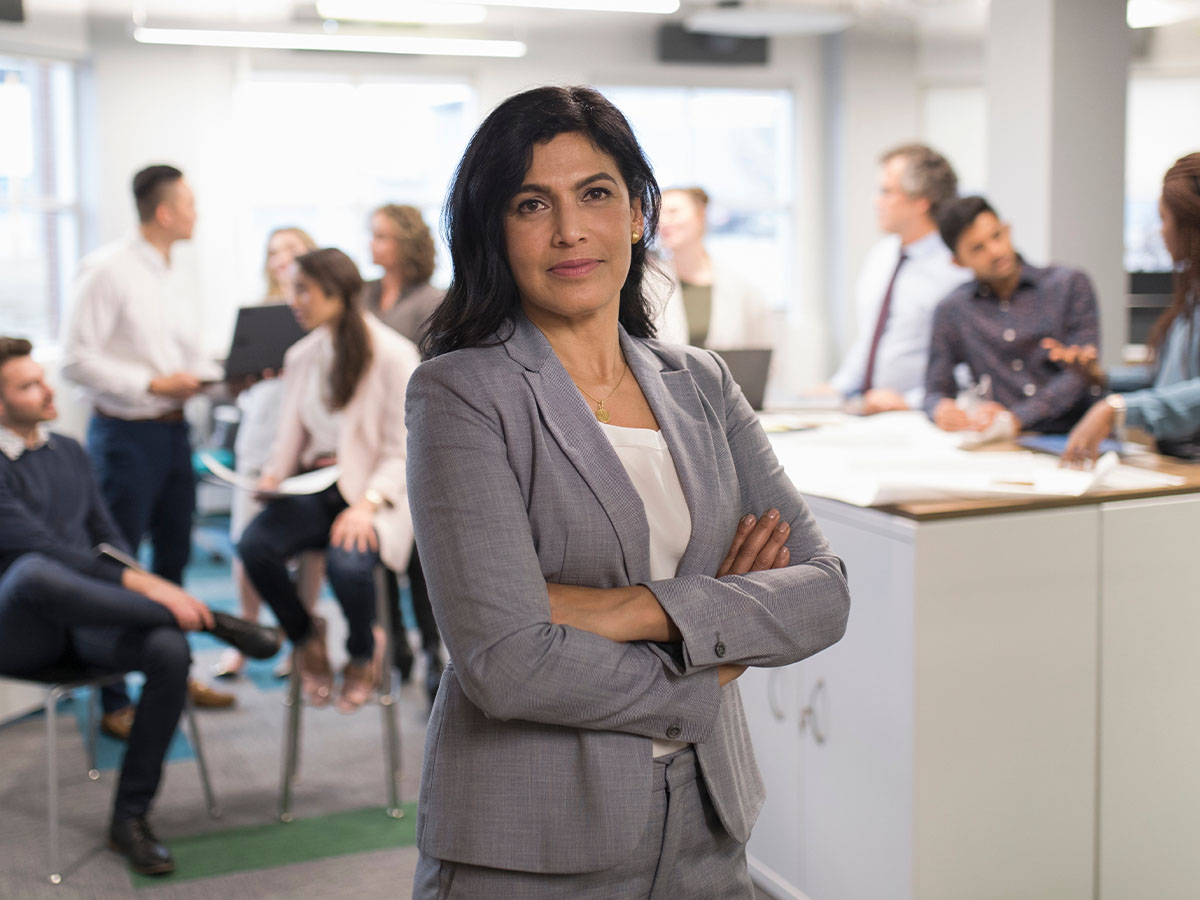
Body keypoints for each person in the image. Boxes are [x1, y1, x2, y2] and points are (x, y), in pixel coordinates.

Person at [407, 85, 850, 898]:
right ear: (492, 230)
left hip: (709, 820)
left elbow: (824, 594)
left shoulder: (701, 382)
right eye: (531, 203)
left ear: (640, 211)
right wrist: (714, 650)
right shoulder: (461, 394)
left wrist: (632, 609)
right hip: (533, 836)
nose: (570, 230)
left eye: (596, 194)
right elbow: (506, 665)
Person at [0, 337, 281, 875]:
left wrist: (143, 580)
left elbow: (108, 542)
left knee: (169, 648)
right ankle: (214, 621)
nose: (46, 389)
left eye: (42, 378)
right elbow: (48, 550)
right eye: (28, 385)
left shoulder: (69, 451)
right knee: (37, 570)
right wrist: (153, 590)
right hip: (22, 630)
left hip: (91, 617)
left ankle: (129, 816)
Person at [61, 163, 233, 732]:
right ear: (164, 212)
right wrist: (152, 385)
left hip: (172, 433)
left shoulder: (173, 273)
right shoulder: (107, 269)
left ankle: (173, 671)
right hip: (125, 435)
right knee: (116, 564)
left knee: (175, 560)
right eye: (189, 203)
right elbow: (76, 359)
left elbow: (180, 359)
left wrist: (228, 375)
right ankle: (111, 697)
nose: (196, 213)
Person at [238, 248, 420, 713]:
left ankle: (363, 652)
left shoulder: (393, 355)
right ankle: (306, 635)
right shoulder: (302, 355)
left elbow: (403, 449)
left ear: (335, 293)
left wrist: (367, 505)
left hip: (375, 493)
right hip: (315, 487)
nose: (292, 299)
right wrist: (274, 476)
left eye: (302, 289)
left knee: (348, 563)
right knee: (254, 546)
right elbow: (289, 440)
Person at [215, 226, 321, 680]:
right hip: (261, 432)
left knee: (310, 546)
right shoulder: (256, 314)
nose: (282, 258)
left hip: (310, 436)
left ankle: (300, 639)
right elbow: (231, 382)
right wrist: (248, 376)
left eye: (292, 249)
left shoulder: (323, 311)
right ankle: (248, 632)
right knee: (247, 538)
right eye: (274, 251)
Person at [1061, 152, 1200, 464]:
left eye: (1164, 219)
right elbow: (1172, 377)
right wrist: (1102, 378)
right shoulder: (1193, 297)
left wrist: (1117, 409)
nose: (1161, 232)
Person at [924, 195, 1101, 435]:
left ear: (1007, 229)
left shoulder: (1069, 285)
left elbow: (1079, 375)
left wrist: (1016, 418)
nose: (995, 252)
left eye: (997, 236)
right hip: (1001, 443)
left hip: (1072, 434)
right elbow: (935, 389)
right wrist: (941, 409)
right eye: (978, 248)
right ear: (958, 261)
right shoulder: (953, 309)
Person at [362, 204, 445, 701]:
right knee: (377, 549)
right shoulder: (364, 297)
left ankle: (433, 648)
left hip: (414, 436)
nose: (373, 246)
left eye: (383, 237)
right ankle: (395, 646)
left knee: (418, 555)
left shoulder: (432, 301)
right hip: (371, 440)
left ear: (406, 244)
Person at [825, 144, 971, 413]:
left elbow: (968, 368)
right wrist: (837, 387)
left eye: (886, 191)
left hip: (917, 417)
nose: (875, 200)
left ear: (920, 201)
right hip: (865, 410)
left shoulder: (957, 271)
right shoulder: (881, 256)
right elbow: (871, 337)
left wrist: (909, 401)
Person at [654, 186, 771, 348]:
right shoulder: (649, 283)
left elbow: (761, 356)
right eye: (658, 214)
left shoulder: (741, 288)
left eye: (673, 212)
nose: (663, 221)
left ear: (701, 215)